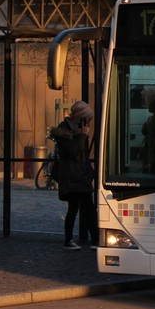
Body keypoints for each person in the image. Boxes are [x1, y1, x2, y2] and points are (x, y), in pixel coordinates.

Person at [50, 101, 98, 250]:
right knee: (74, 207)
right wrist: (83, 136)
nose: (88, 122)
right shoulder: (63, 131)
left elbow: (82, 154)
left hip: (81, 175)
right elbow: (73, 152)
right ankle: (69, 239)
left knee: (88, 208)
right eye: (87, 119)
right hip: (71, 175)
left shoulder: (76, 131)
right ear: (80, 117)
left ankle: (95, 240)